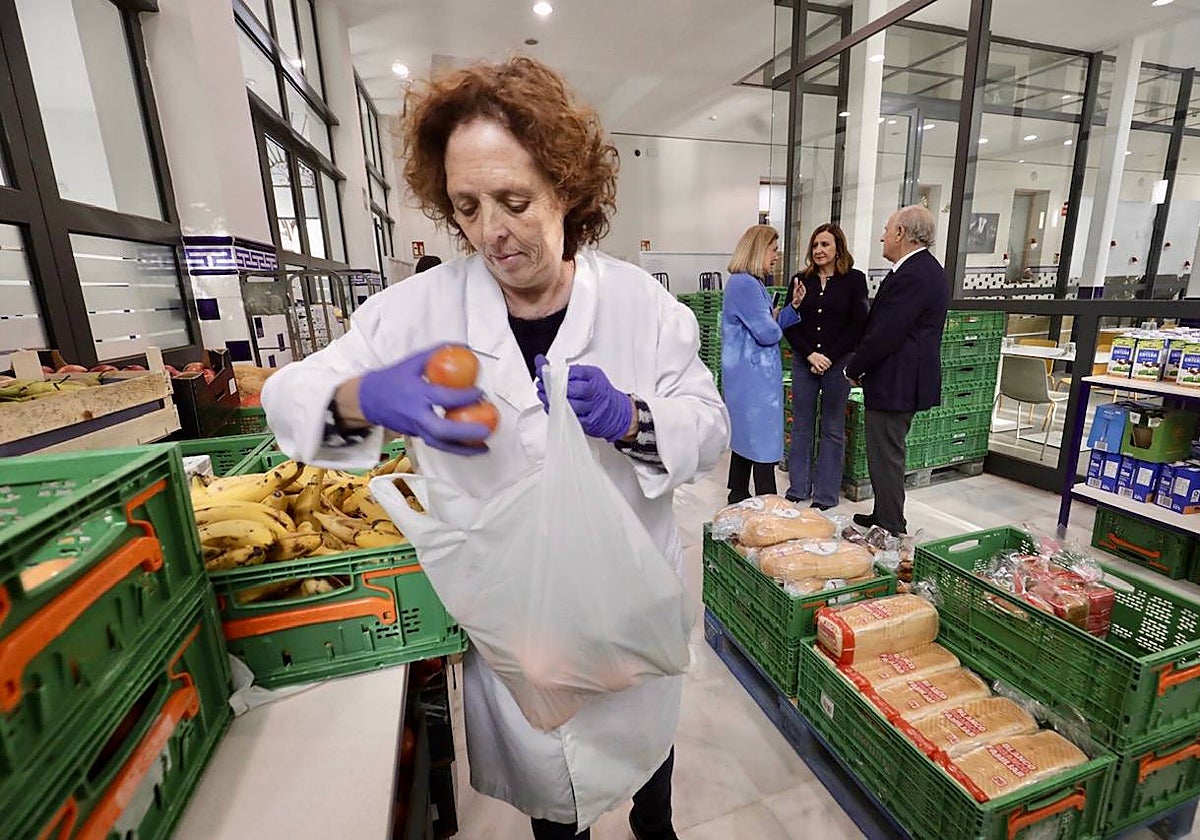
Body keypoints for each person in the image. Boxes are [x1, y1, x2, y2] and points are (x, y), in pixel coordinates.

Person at [260, 56, 729, 840]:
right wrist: (368, 397)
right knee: (554, 786)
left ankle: (657, 822)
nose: (493, 232)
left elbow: (710, 425)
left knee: (648, 752)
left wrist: (632, 420)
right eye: (469, 207)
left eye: (515, 201)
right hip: (520, 628)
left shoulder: (641, 306)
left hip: (626, 599)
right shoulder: (416, 313)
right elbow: (288, 401)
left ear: (565, 188)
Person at [845, 205, 949, 536]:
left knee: (887, 453)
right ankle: (884, 513)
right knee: (883, 453)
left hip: (897, 381)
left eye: (887, 230)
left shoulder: (916, 273)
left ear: (902, 233)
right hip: (897, 378)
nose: (883, 237)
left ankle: (891, 525)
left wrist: (855, 365)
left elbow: (888, 331)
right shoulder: (917, 269)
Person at [782, 223, 868, 510]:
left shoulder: (854, 280)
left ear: (838, 248)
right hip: (804, 362)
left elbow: (858, 325)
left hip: (837, 362)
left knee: (832, 427)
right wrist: (810, 355)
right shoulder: (799, 279)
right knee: (802, 426)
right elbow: (789, 323)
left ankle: (825, 495)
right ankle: (799, 487)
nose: (819, 250)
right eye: (815, 245)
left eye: (825, 245)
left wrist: (828, 356)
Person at [720, 224, 795, 504]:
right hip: (755, 382)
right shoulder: (746, 285)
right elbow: (768, 333)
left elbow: (767, 325)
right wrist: (774, 320)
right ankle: (768, 502)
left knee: (746, 437)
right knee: (762, 440)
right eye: (773, 250)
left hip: (746, 379)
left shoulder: (746, 283)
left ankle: (738, 492)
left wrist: (789, 310)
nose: (776, 256)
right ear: (757, 250)